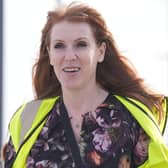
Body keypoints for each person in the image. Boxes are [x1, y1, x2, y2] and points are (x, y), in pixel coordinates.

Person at [2, 1, 168, 168]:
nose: (70, 56)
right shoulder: (27, 119)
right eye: (59, 46)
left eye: (81, 44)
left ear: (100, 52)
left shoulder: (131, 118)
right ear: (50, 54)